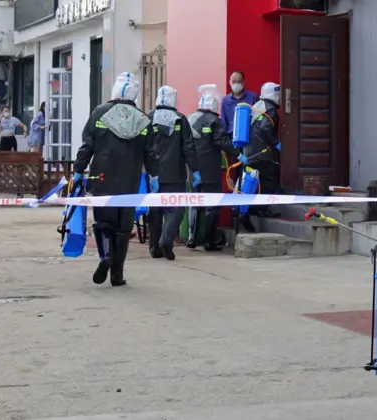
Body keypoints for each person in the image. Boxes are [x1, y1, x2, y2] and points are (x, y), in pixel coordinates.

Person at [73, 72, 159, 287]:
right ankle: (117, 275)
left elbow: (87, 145)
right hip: (130, 180)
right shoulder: (143, 119)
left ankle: (105, 258)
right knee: (123, 227)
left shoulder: (99, 113)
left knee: (103, 221)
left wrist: (78, 170)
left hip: (101, 176)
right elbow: (150, 153)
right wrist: (154, 175)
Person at [186, 84, 247, 251]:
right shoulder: (214, 120)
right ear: (214, 107)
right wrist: (237, 154)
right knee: (211, 205)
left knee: (194, 203)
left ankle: (191, 238)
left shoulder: (190, 118)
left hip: (192, 169)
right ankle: (208, 242)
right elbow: (221, 141)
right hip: (210, 170)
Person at [147, 85, 200, 261]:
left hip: (153, 174)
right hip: (175, 174)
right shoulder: (180, 119)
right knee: (175, 210)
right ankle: (166, 241)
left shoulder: (149, 118)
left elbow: (143, 147)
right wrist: (195, 169)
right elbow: (188, 147)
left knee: (155, 211)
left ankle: (155, 247)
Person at [242, 81, 282, 231]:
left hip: (250, 153)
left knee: (252, 182)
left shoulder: (257, 105)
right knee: (269, 180)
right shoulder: (270, 109)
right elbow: (265, 128)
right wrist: (276, 142)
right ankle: (262, 208)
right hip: (263, 154)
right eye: (278, 93)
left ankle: (251, 209)